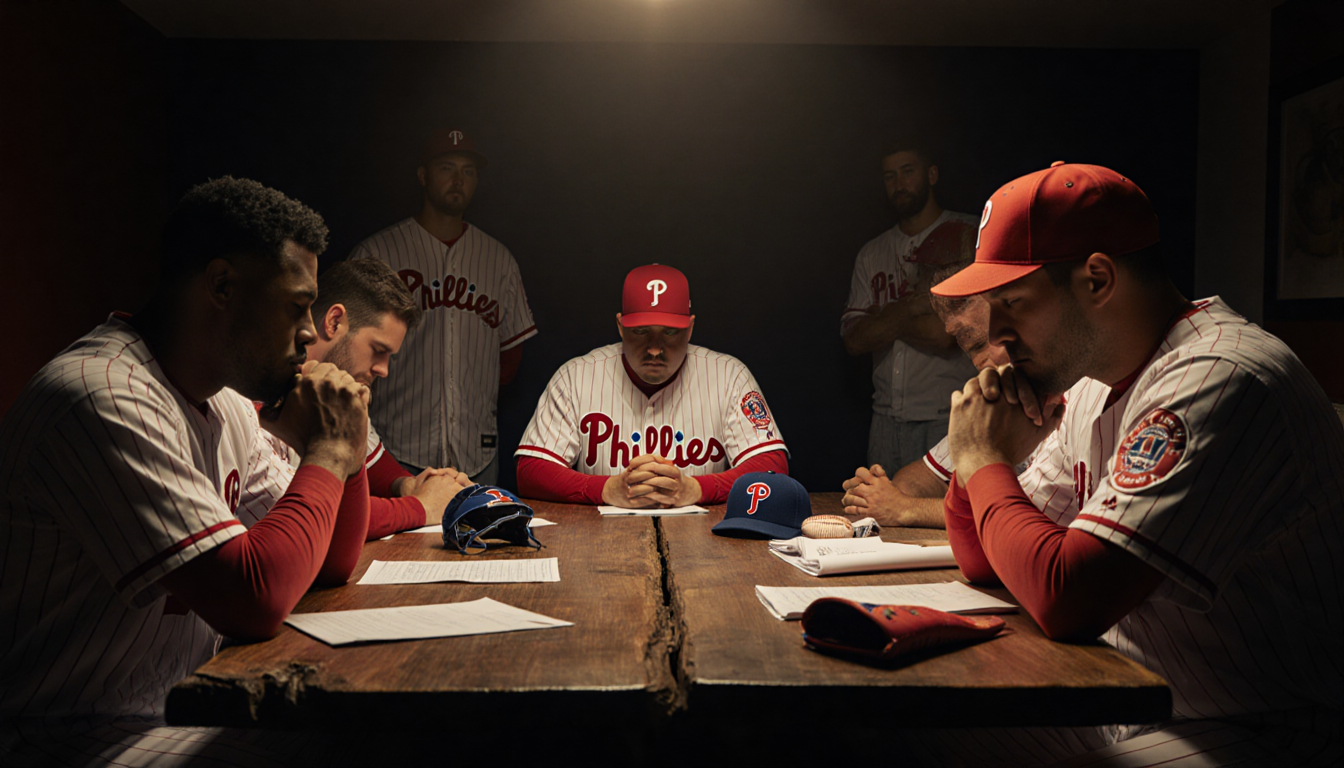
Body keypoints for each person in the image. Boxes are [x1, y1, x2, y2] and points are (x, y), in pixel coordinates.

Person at [929, 162, 1343, 764]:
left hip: (1263, 724)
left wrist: (979, 458)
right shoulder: (1093, 383)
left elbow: (1067, 596)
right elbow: (986, 563)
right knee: (888, 733)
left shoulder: (1220, 376)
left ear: (1097, 279)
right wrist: (977, 468)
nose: (997, 332)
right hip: (1136, 697)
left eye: (1012, 303)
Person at [0, 177, 371, 765]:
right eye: (297, 306)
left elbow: (330, 562)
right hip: (56, 734)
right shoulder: (102, 395)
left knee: (378, 738)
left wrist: (345, 447)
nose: (309, 331)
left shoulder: (223, 402)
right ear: (222, 285)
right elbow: (256, 595)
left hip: (163, 711)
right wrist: (327, 452)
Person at [350, 128, 537, 486]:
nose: (458, 179)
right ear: (423, 176)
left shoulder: (498, 259)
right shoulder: (378, 254)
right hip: (394, 450)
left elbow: (510, 359)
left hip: (477, 454)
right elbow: (347, 352)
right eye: (446, 168)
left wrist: (472, 392)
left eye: (468, 171)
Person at [515, 264, 788, 508]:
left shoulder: (730, 376)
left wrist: (697, 489)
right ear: (621, 326)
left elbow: (772, 467)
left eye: (670, 332)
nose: (655, 349)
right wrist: (605, 490)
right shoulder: (575, 376)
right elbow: (531, 470)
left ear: (690, 328)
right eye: (641, 331)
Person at [266, 258, 474, 540]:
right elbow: (313, 517)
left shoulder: (339, 388)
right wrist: (422, 506)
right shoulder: (261, 388)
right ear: (334, 321)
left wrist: (410, 486)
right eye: (378, 350)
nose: (384, 370)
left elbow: (374, 465)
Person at [841, 262, 1014, 528]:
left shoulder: (1073, 395)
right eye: (970, 350)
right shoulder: (995, 399)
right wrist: (878, 495)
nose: (980, 363)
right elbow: (921, 478)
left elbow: (1023, 517)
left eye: (981, 344)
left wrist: (905, 508)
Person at [842, 145, 979, 473]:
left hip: (949, 417)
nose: (899, 183)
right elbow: (854, 340)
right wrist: (908, 310)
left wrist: (885, 320)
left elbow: (944, 334)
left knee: (944, 518)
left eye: (907, 171)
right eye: (890, 176)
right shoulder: (872, 252)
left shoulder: (966, 234)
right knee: (877, 515)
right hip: (885, 419)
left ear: (931, 175)